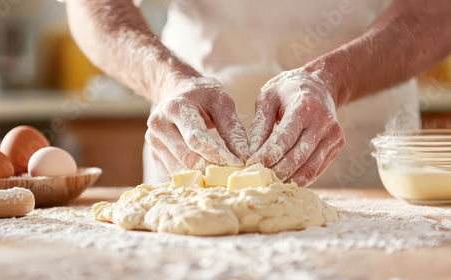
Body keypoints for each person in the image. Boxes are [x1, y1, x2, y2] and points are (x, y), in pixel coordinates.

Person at [66, 0, 451, 188]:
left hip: (360, 120)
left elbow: (437, 11)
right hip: (194, 127)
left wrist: (332, 79)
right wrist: (167, 80)